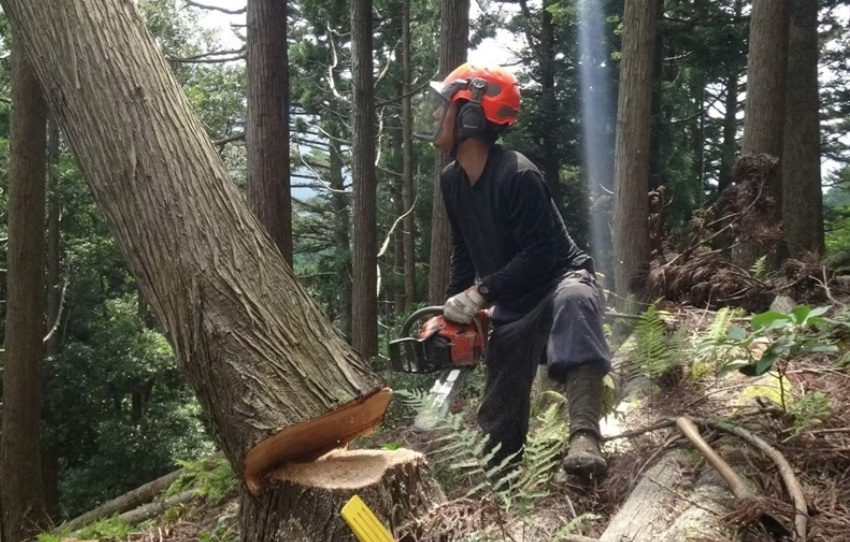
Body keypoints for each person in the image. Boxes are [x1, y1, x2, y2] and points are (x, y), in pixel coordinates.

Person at [414, 63, 611, 481]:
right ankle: (500, 486)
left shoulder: (518, 173)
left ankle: (584, 438)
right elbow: (465, 252)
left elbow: (542, 254)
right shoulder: (452, 181)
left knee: (575, 302)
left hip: (558, 282)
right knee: (498, 415)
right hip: (511, 305)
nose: (434, 116)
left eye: (443, 107)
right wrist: (455, 312)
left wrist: (481, 294)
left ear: (471, 115)